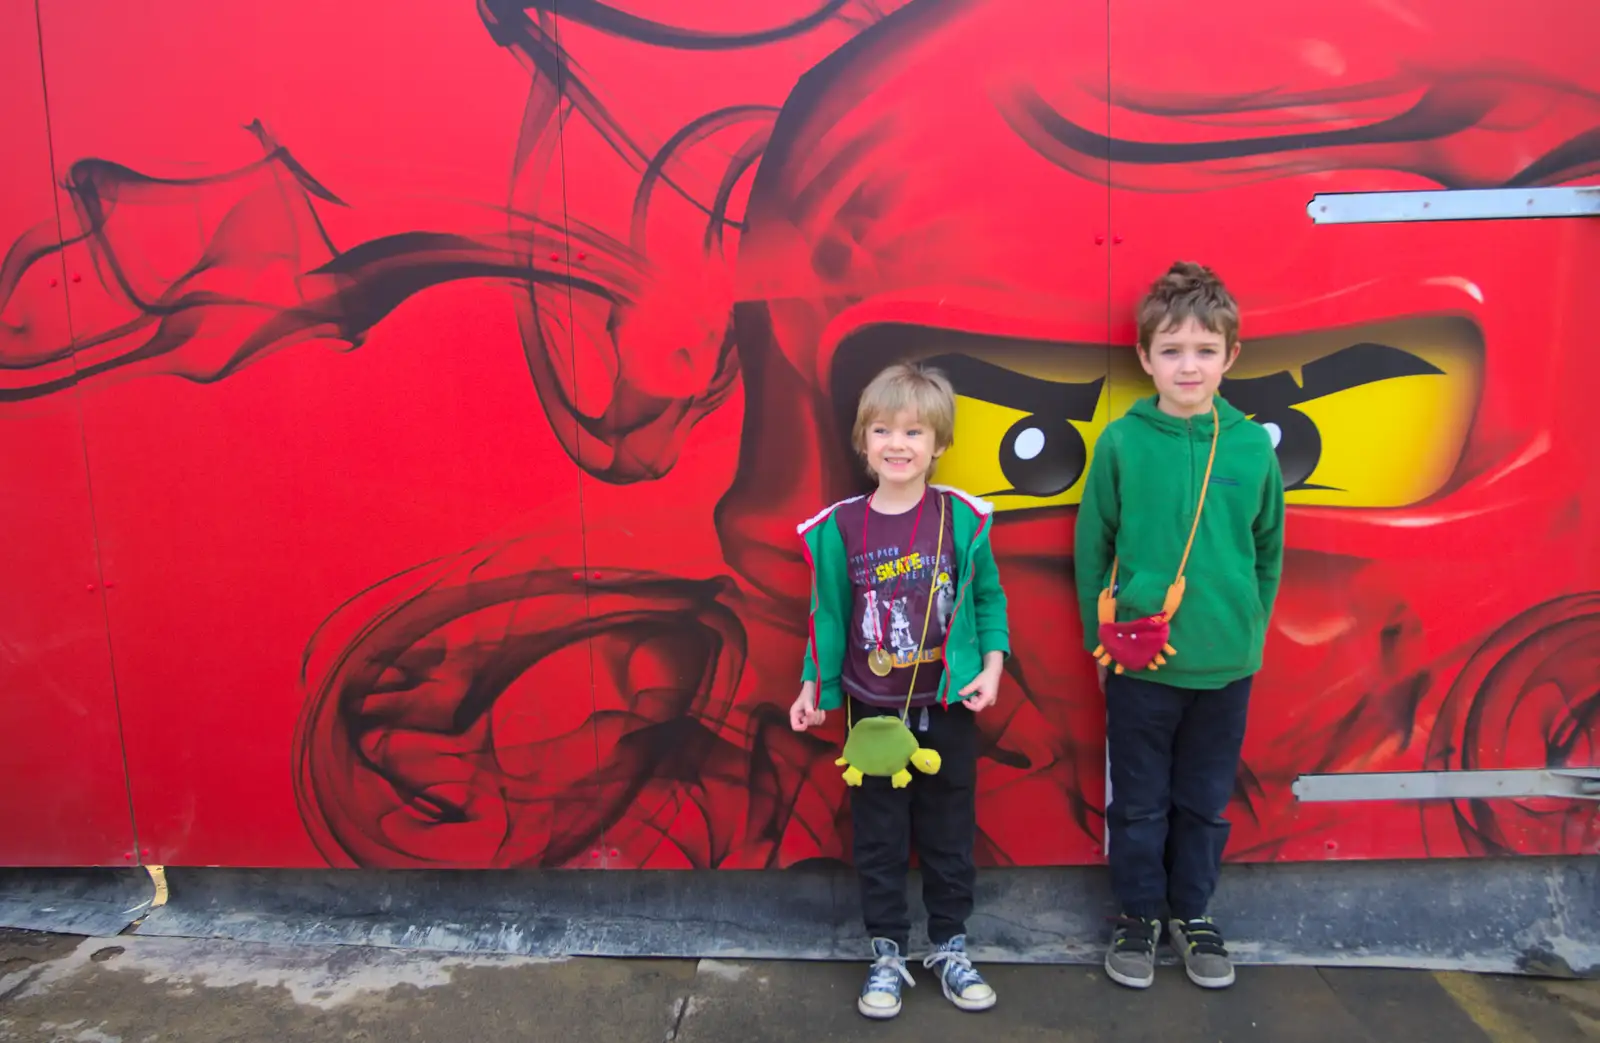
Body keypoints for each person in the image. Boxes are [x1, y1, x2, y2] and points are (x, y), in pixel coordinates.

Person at [1074, 261, 1286, 990]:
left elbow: (1268, 550)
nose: (1187, 365)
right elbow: (1091, 544)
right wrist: (1097, 640)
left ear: (1231, 355)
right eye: (1171, 350)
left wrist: (1249, 631)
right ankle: (1137, 915)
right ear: (1144, 359)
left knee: (1202, 799)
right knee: (1138, 800)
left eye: (1203, 349)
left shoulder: (1254, 447)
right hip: (1141, 664)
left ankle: (1193, 913)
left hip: (1227, 666)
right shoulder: (1122, 442)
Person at [789, 361, 1010, 1019]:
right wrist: (812, 688)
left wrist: (992, 666)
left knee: (947, 834)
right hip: (871, 714)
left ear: (937, 444)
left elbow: (989, 598)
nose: (897, 443)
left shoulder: (962, 520)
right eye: (882, 429)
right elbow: (826, 614)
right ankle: (887, 952)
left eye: (914, 432)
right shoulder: (842, 527)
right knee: (881, 838)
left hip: (946, 707)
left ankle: (950, 945)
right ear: (863, 441)